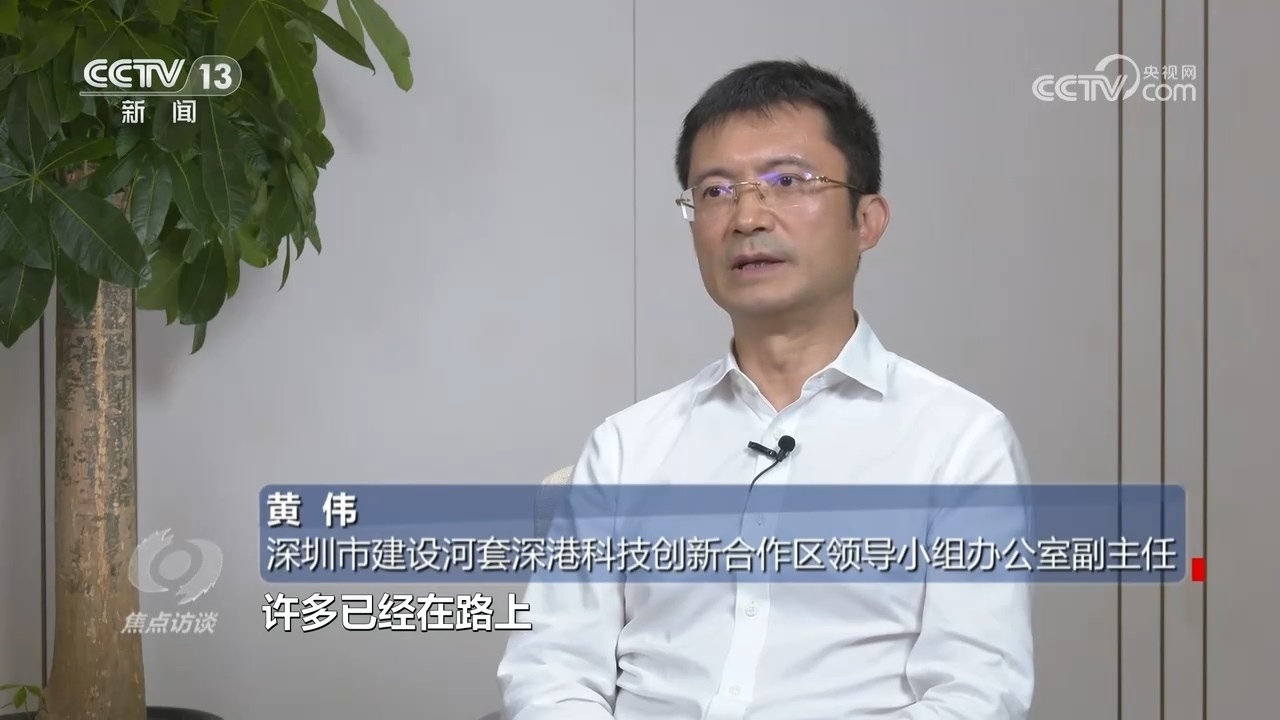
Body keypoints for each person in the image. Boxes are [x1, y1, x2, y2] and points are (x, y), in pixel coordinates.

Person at [497, 59, 1034, 720]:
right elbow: (551, 669)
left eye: (787, 181)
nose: (748, 216)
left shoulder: (959, 442)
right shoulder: (627, 446)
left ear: (866, 221)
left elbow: (974, 694)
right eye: (716, 191)